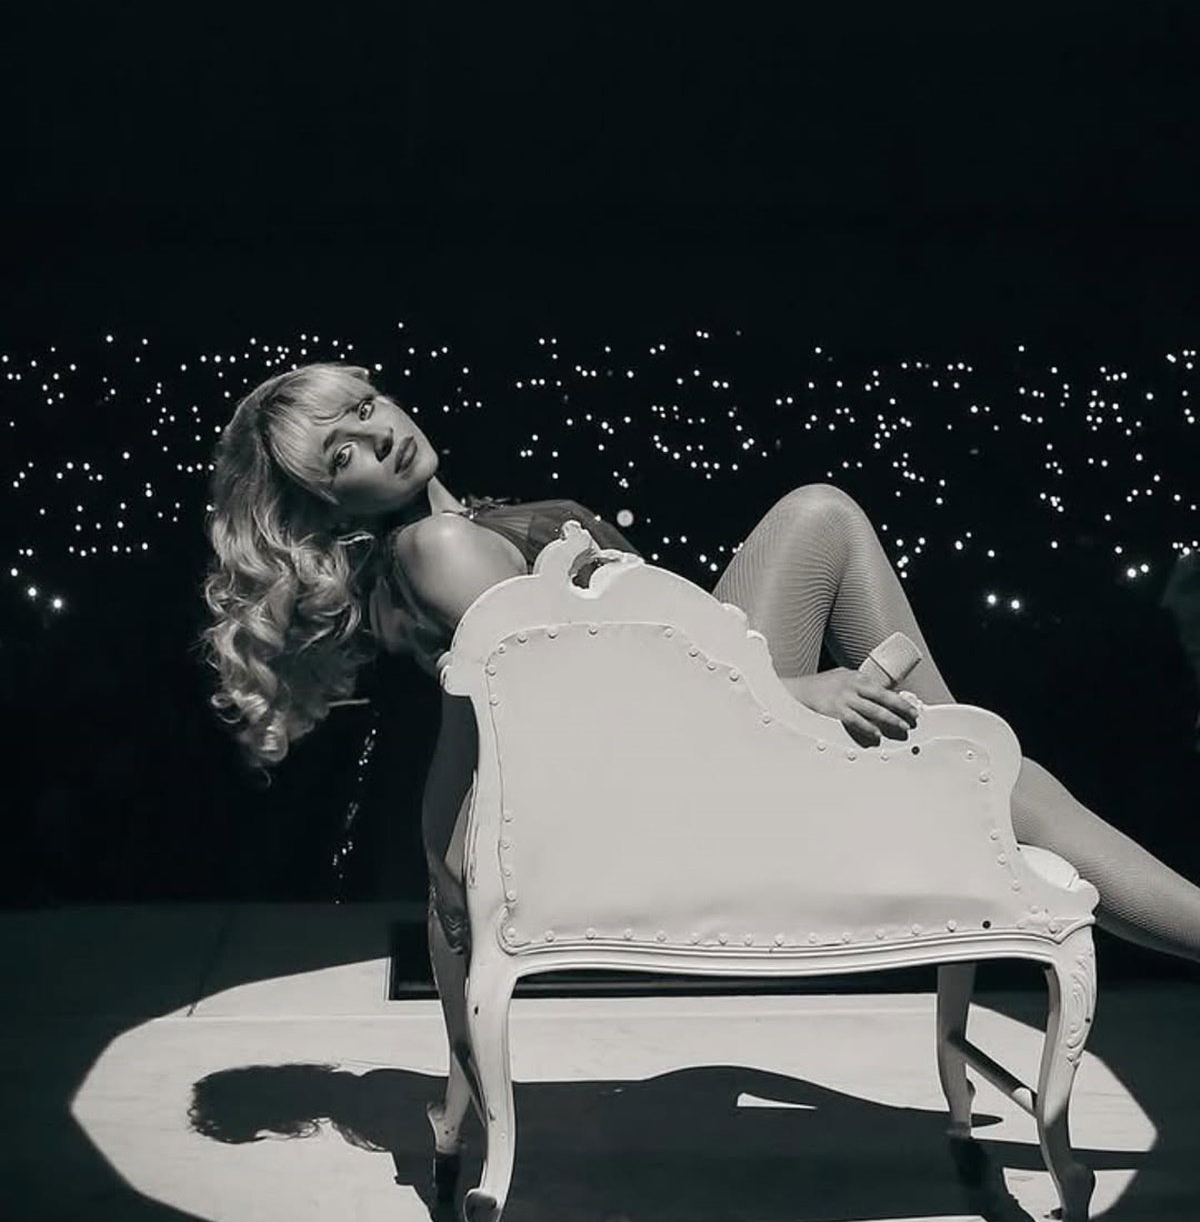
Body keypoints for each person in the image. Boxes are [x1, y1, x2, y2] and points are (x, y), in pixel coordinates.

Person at [200, 362, 1200, 969]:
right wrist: (794, 690)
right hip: (690, 762)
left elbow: (477, 712)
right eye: (343, 452)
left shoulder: (451, 532)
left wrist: (437, 848)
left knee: (829, 527)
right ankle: (959, 771)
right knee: (830, 531)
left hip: (703, 729)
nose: (378, 432)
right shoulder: (438, 548)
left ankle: (956, 767)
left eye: (367, 403)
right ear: (327, 504)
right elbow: (578, 700)